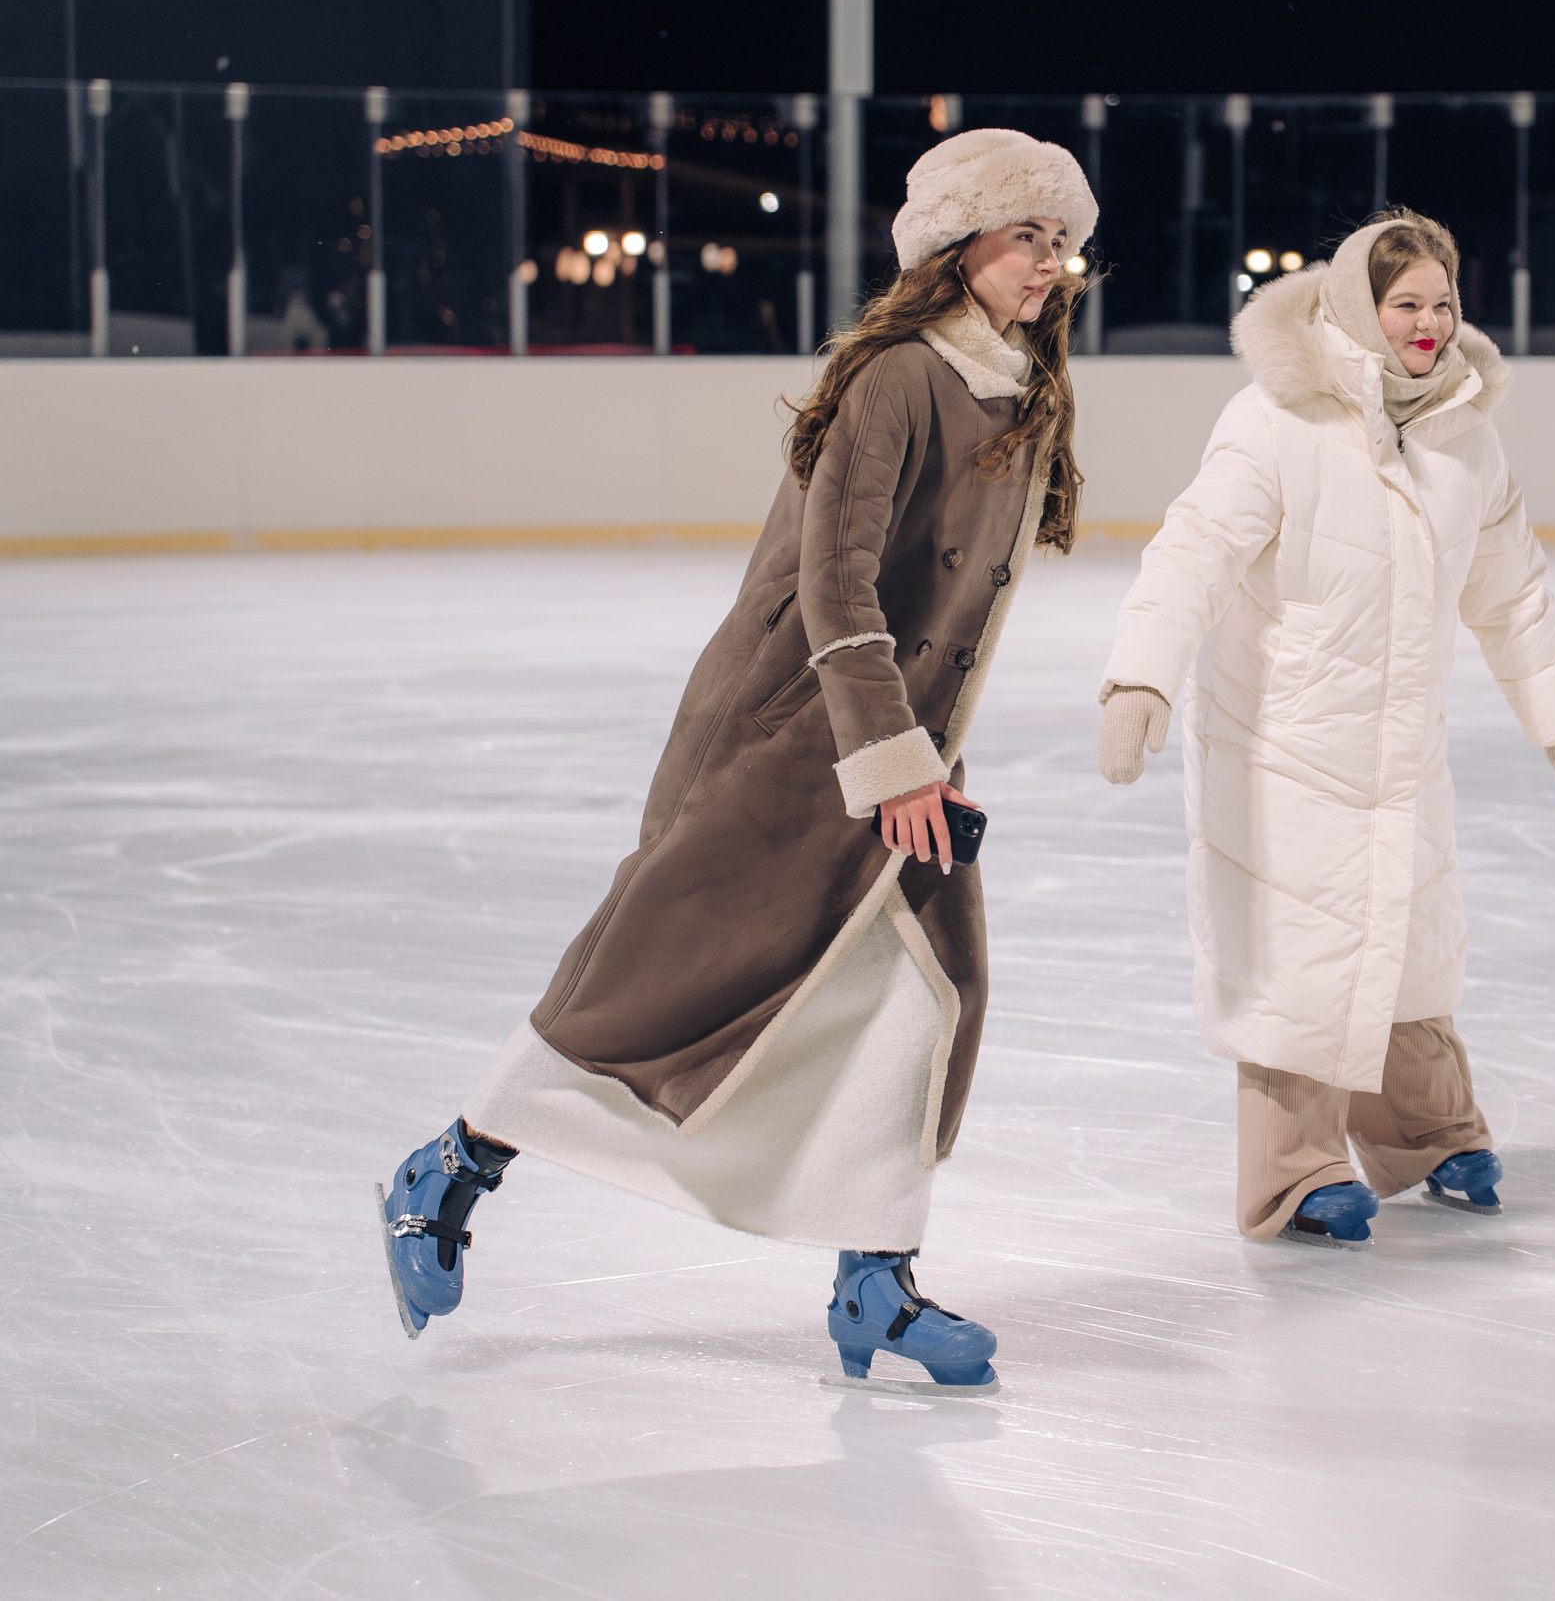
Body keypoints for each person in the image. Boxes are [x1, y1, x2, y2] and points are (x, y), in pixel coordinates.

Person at [375, 129, 1099, 1394]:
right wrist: (893, 758)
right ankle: (449, 1167)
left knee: (925, 995)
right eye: (1024, 236)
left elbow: (945, 621)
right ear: (952, 246)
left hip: (891, 746)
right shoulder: (896, 376)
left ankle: (874, 1282)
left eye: (1060, 239)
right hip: (789, 736)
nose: (1050, 262)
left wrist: (932, 756)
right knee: (662, 978)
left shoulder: (1014, 383)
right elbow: (836, 585)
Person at [1094, 209, 1555, 1249]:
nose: (1428, 324)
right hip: (1282, 737)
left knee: (1411, 938)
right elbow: (1194, 550)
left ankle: (1430, 1133)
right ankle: (1297, 1171)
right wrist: (1139, 679)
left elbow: (1510, 589)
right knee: (1302, 955)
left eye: (1442, 304)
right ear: (1357, 311)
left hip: (1401, 741)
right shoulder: (1275, 418)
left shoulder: (1464, 431)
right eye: (1405, 304)